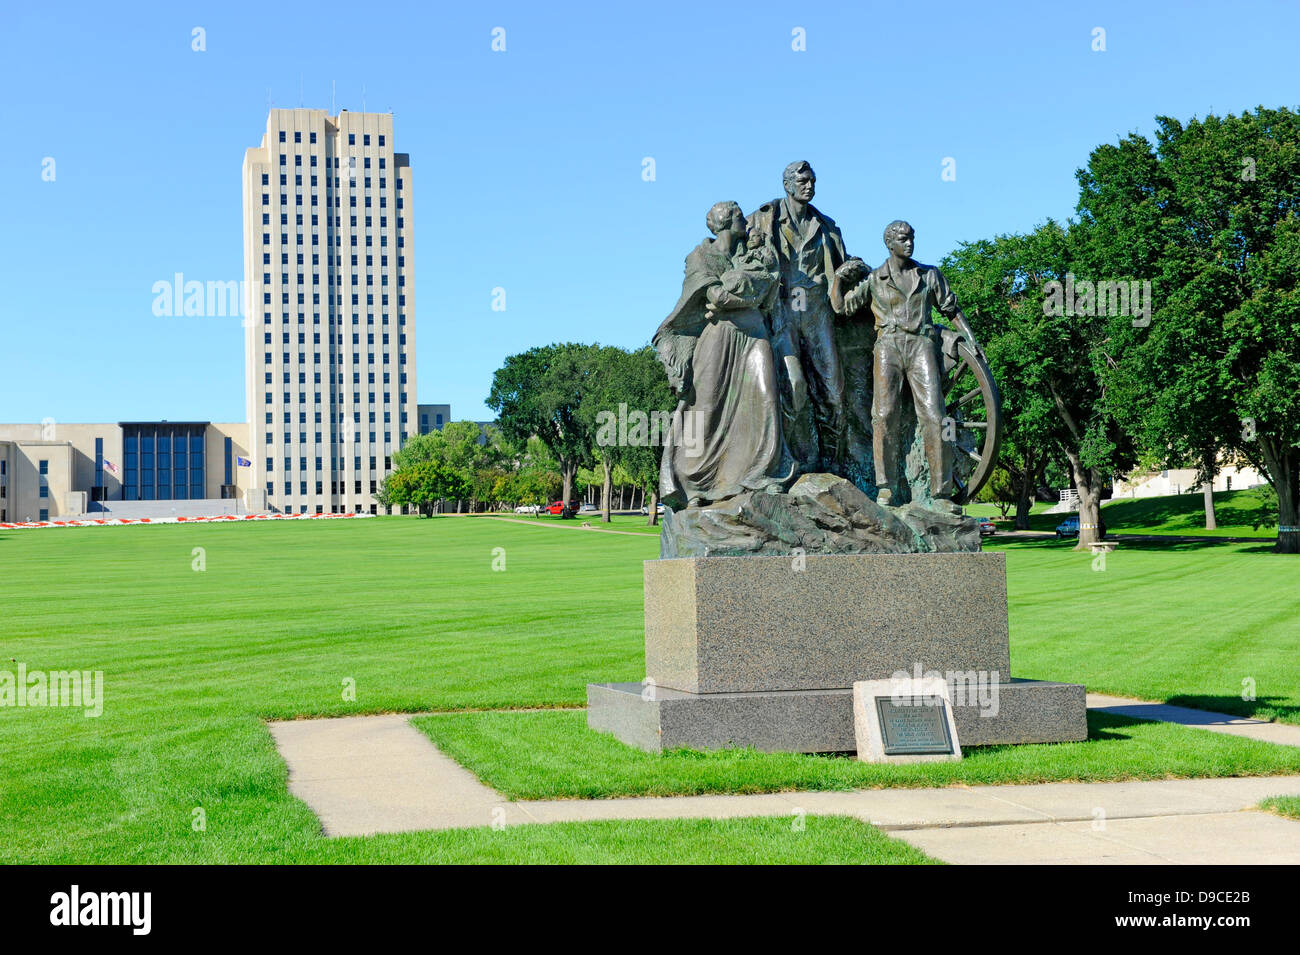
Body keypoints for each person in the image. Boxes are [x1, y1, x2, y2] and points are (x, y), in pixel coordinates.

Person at [831, 220, 985, 511]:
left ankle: (940, 493)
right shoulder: (876, 279)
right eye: (903, 239)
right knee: (883, 415)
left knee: (935, 415)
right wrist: (838, 280)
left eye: (911, 238)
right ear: (890, 244)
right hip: (887, 347)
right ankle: (885, 488)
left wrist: (971, 340)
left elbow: (951, 309)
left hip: (921, 345)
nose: (909, 243)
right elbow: (842, 308)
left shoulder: (928, 275)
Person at [653, 201, 795, 508]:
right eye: (740, 217)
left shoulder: (754, 251)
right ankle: (695, 485)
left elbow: (765, 289)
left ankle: (761, 474)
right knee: (706, 411)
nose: (746, 221)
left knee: (766, 396)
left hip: (755, 333)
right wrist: (745, 293)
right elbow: (713, 294)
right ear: (726, 222)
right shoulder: (700, 256)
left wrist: (735, 297)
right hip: (718, 339)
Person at [747, 161, 849, 473]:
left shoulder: (827, 226)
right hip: (782, 310)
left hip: (818, 312)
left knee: (833, 393)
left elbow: (841, 269)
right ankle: (790, 461)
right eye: (803, 181)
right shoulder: (763, 220)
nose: (809, 186)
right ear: (788, 185)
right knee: (792, 386)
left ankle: (833, 465)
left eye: (813, 180)